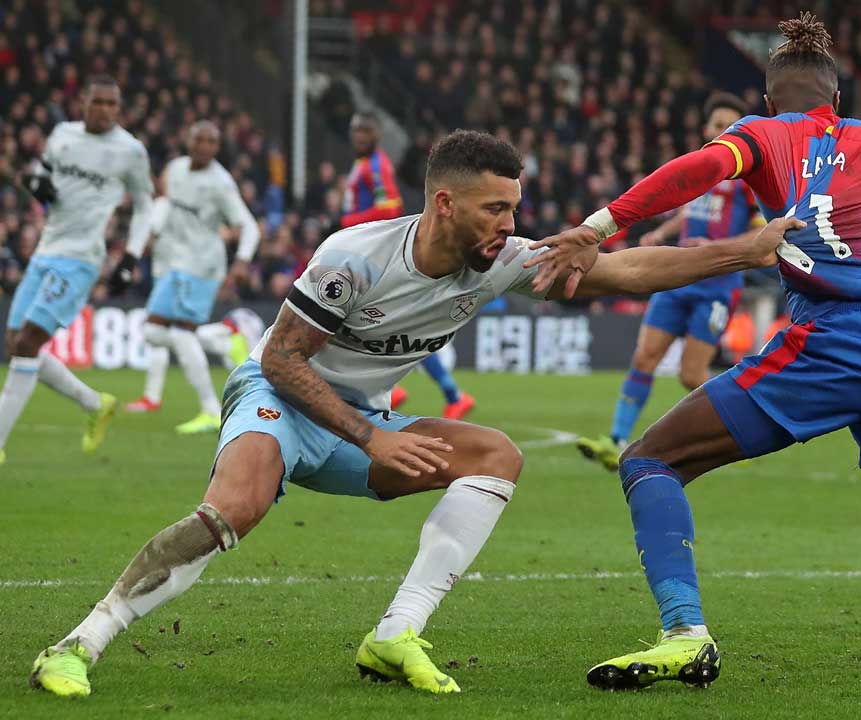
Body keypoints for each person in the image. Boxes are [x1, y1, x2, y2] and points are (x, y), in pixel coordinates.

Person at [29, 130, 800, 698]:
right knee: (236, 507)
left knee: (497, 455)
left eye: (514, 209)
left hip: (361, 419)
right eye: (496, 209)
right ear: (445, 203)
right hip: (282, 400)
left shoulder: (498, 260)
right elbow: (280, 360)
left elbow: (623, 268)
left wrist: (745, 250)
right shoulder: (354, 256)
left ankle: (394, 635)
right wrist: (372, 439)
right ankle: (78, 644)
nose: (509, 225)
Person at [527, 13, 861, 704]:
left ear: (769, 102)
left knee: (651, 458)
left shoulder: (760, 136)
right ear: (838, 101)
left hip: (836, 339)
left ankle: (684, 633)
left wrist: (597, 227)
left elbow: (697, 170)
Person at [577, 92, 764, 470]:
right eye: (716, 124)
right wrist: (661, 231)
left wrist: (714, 246)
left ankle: (745, 428)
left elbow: (761, 235)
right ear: (705, 127)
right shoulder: (701, 168)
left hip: (717, 284)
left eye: (729, 125)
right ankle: (615, 441)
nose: (721, 131)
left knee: (690, 375)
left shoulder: (749, 179)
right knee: (644, 357)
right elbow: (689, 211)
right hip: (677, 277)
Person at [0, 75, 153, 464]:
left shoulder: (130, 151)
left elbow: (144, 206)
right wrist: (36, 181)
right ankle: (94, 403)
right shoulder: (63, 134)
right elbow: (42, 170)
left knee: (28, 343)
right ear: (82, 101)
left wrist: (131, 258)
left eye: (111, 104)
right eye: (97, 102)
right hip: (46, 250)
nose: (103, 110)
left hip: (82, 257)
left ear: (118, 109)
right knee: (16, 342)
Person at [122, 120, 260, 433]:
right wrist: (152, 234)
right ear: (189, 140)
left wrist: (242, 262)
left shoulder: (221, 183)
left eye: (212, 142)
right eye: (201, 140)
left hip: (204, 265)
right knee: (155, 333)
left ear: (217, 146)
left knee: (166, 332)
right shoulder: (177, 169)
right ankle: (223, 342)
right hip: (177, 262)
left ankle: (211, 409)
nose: (206, 147)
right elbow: (165, 205)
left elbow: (249, 226)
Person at [343, 111, 474, 420]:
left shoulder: (377, 166)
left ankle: (403, 388)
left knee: (377, 319)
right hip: (364, 248)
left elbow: (390, 208)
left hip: (373, 251)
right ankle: (440, 393)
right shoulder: (363, 164)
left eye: (365, 131)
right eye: (355, 131)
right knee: (387, 322)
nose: (359, 136)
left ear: (375, 135)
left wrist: (347, 222)